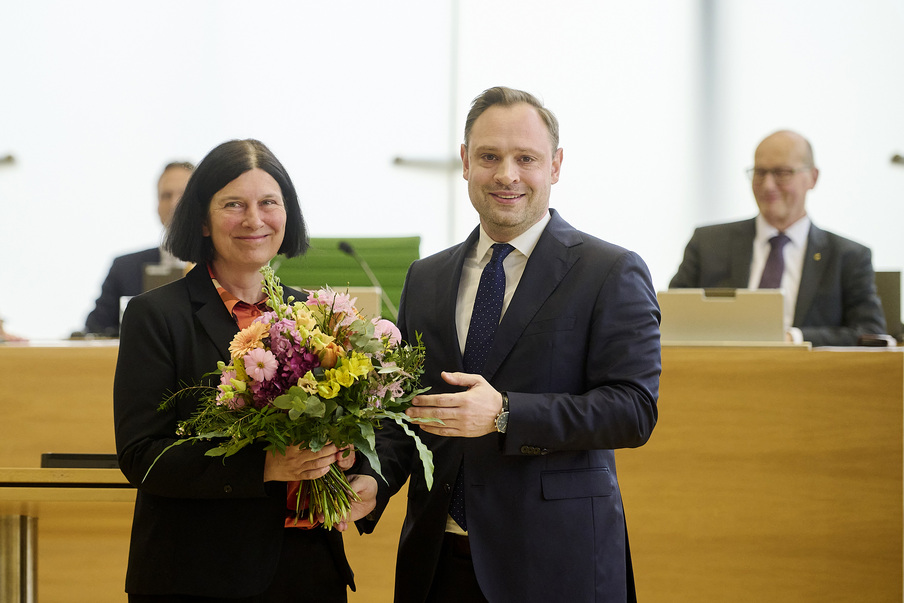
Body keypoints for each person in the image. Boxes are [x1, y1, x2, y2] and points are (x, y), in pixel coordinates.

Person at [357, 87, 661, 602]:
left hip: (554, 564)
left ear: (556, 165)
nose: (506, 175)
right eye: (489, 157)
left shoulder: (609, 271)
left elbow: (632, 410)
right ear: (465, 162)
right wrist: (372, 481)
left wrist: (505, 414)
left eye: (526, 158)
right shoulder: (426, 277)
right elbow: (408, 412)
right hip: (437, 564)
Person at [114, 139, 377, 602]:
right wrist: (266, 466)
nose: (254, 220)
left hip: (311, 570)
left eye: (268, 203)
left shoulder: (314, 313)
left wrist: (347, 458)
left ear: (287, 214)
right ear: (202, 219)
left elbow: (356, 424)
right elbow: (142, 456)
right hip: (199, 574)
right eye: (234, 204)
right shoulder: (155, 315)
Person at [669, 130, 886, 346]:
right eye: (760, 172)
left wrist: (794, 338)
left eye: (782, 173)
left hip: (808, 375)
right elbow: (669, 319)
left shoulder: (848, 257)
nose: (768, 185)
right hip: (718, 371)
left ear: (813, 177)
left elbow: (870, 333)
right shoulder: (708, 244)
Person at [84, 161, 194, 336]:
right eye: (166, 195)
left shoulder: (223, 265)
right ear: (157, 206)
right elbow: (94, 330)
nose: (174, 204)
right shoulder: (124, 269)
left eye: (183, 195)